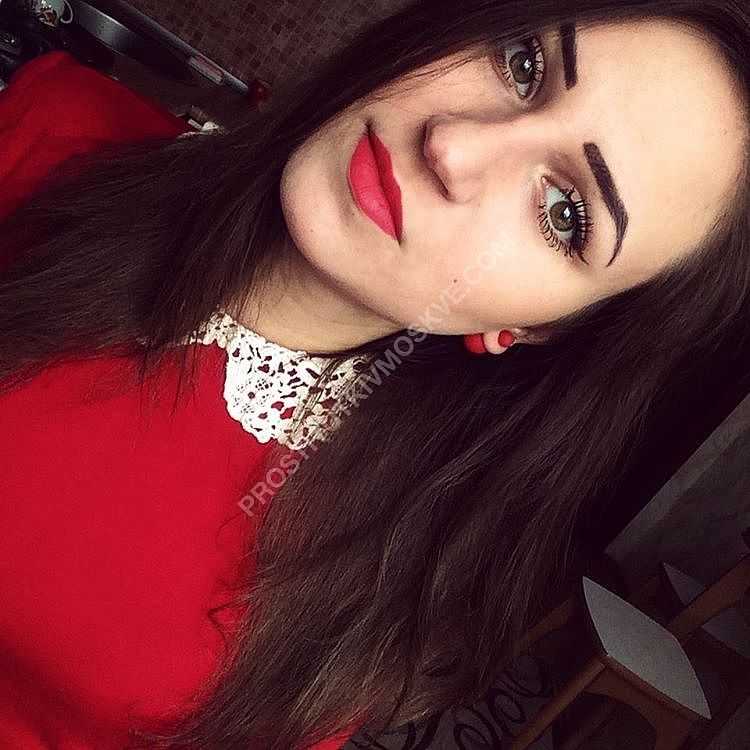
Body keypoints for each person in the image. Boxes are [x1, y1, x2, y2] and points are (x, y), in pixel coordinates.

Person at [0, 0, 748, 748]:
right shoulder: (55, 125)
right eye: (523, 65)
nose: (452, 146)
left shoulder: (368, 584)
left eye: (563, 213)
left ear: (534, 328)